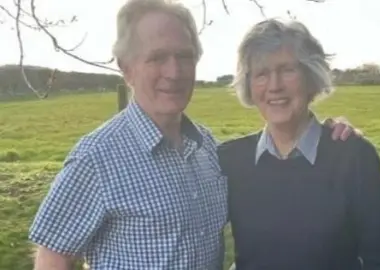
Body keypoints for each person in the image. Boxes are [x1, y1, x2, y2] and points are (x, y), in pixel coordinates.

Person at [28, 1, 360, 269]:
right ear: (126, 68)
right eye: (157, 58)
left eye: (184, 57)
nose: (174, 72)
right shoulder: (97, 157)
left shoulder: (211, 150)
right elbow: (53, 256)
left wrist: (322, 133)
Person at [218, 19, 380, 270]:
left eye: (287, 70)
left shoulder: (354, 157)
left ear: (311, 77)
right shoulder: (229, 160)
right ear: (249, 86)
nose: (274, 86)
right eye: (262, 74)